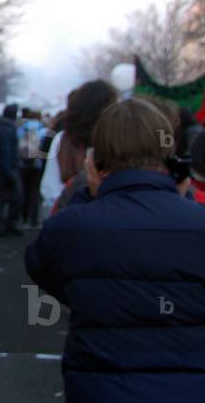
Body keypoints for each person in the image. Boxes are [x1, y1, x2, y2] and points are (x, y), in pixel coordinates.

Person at [25, 98, 205, 402]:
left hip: (101, 389)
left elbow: (48, 273)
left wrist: (88, 195)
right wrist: (182, 201)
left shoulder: (72, 228)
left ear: (96, 161)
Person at [51, 80, 117, 213]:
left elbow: (50, 189)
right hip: (114, 216)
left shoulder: (63, 140)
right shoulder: (118, 140)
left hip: (71, 218)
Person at [0, 104, 22, 236]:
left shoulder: (1, 128)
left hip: (0, 169)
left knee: (0, 200)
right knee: (13, 198)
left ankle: (1, 225)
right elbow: (5, 151)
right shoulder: (7, 130)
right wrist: (8, 171)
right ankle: (5, 225)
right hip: (6, 169)